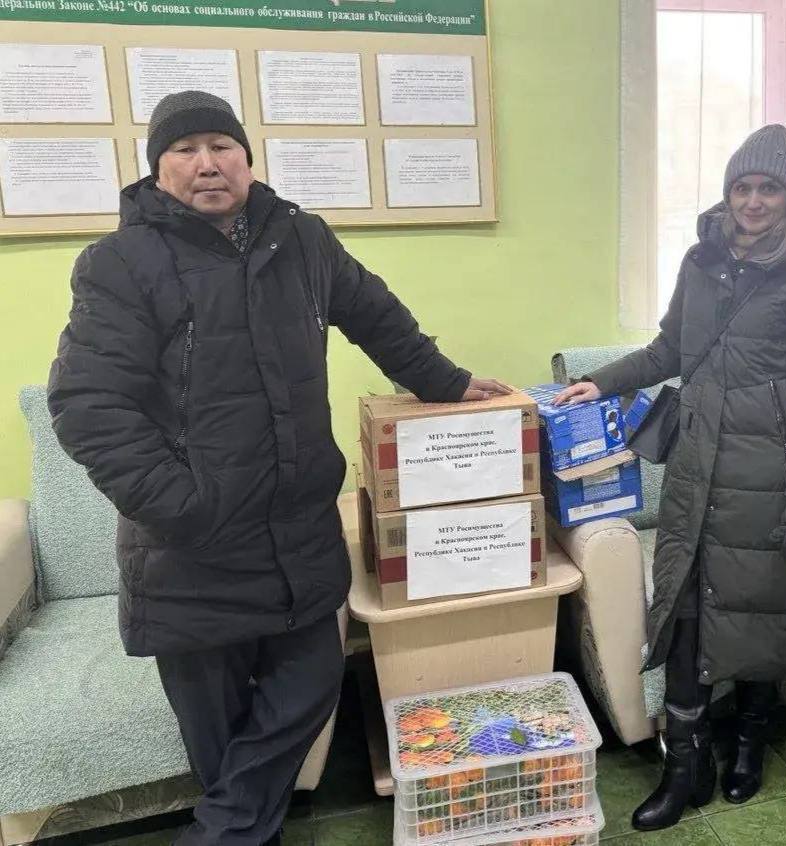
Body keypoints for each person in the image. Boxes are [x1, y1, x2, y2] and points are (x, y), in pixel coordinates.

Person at [46, 90, 509, 846]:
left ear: (247, 158)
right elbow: (88, 404)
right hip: (192, 548)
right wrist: (180, 505)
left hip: (298, 530)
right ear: (158, 169)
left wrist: (445, 381)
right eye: (185, 150)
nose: (206, 163)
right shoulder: (121, 263)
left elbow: (375, 314)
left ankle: (219, 836)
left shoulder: (302, 237)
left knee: (312, 683)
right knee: (217, 734)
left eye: (221, 146)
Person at [555, 124, 786, 831]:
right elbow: (668, 349)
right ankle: (684, 766)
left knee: (761, 612)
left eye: (768, 188)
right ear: (727, 193)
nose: (754, 201)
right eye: (743, 187)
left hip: (767, 479)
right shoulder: (700, 261)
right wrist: (602, 381)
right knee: (683, 614)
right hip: (696, 471)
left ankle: (749, 743)